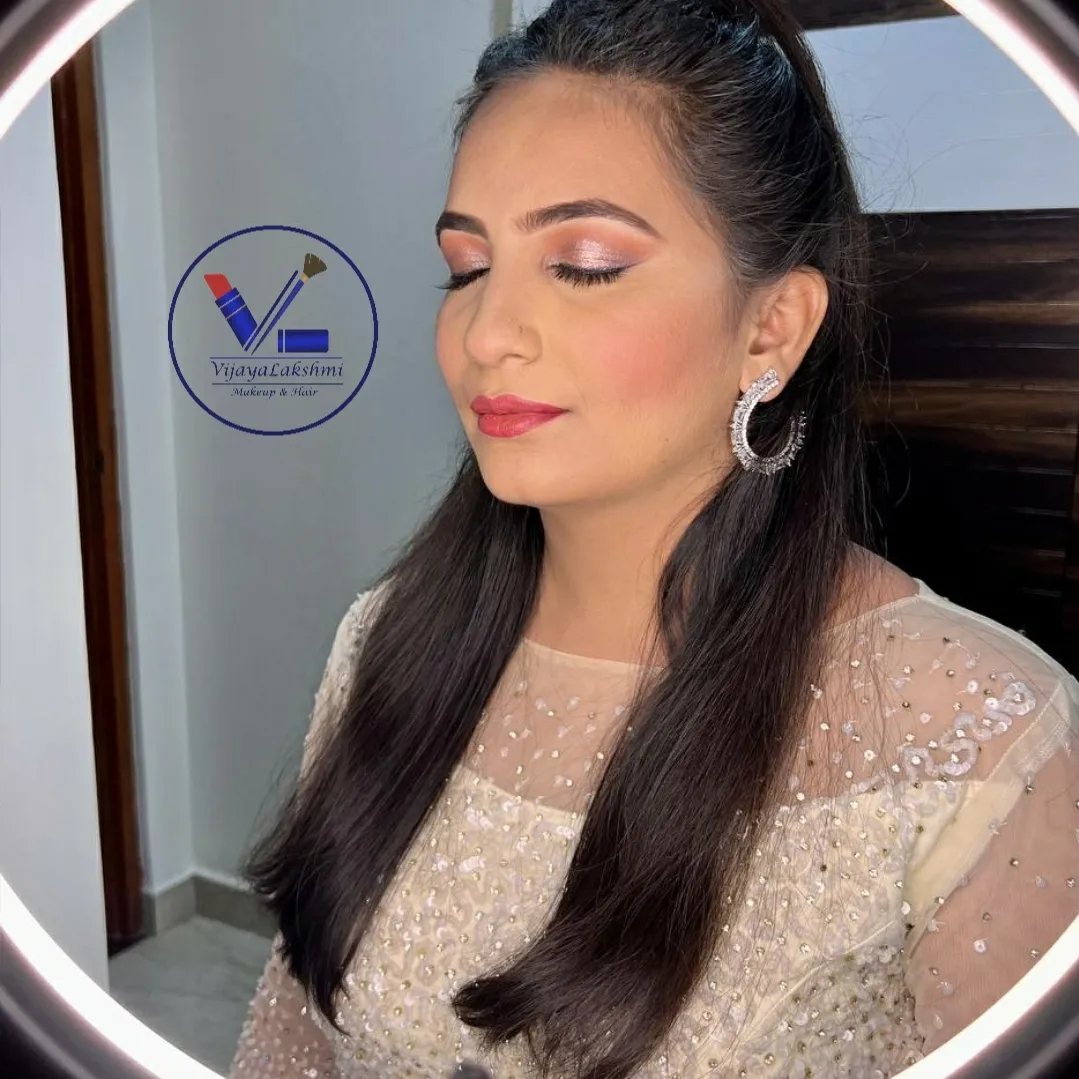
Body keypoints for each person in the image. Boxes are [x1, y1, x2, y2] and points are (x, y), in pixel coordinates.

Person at [227, 2, 1079, 1077]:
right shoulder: (385, 640)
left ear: (770, 327)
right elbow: (293, 1030)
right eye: (466, 266)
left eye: (584, 264)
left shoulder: (977, 735)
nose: (486, 333)